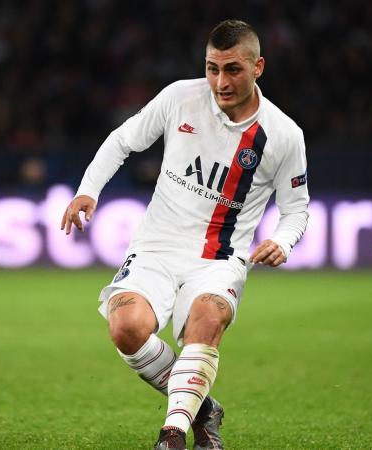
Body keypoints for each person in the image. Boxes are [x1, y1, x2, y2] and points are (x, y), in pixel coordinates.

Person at [61, 20, 309, 450]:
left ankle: (173, 432)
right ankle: (203, 407)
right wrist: (88, 190)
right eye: (212, 68)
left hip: (219, 259)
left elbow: (296, 210)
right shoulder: (180, 97)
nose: (220, 81)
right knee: (125, 327)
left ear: (258, 67)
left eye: (233, 69)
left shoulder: (284, 135)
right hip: (155, 247)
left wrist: (282, 241)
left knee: (207, 319)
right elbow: (122, 141)